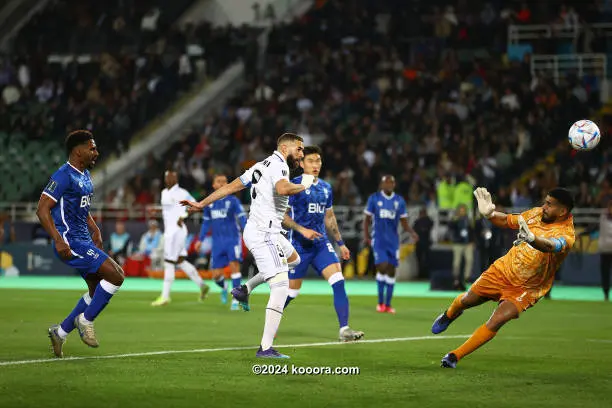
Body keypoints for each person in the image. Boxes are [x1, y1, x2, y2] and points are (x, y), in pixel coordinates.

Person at [181, 133, 311, 359]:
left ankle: (245, 289)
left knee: (295, 260)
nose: (302, 154)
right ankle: (265, 348)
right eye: (299, 149)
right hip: (264, 233)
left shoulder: (261, 165)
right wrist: (304, 184)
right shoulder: (280, 166)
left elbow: (231, 187)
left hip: (263, 229)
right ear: (284, 147)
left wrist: (202, 203)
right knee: (281, 287)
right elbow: (282, 189)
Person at [431, 187, 575, 368]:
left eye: (549, 204)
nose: (544, 207)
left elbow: (550, 246)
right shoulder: (536, 214)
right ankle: (449, 315)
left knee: (498, 319)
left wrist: (532, 238)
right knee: (468, 300)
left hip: (526, 288)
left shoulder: (567, 234)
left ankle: (454, 356)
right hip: (502, 271)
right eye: (544, 202)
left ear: (563, 211)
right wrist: (490, 214)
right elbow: (508, 220)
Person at [37, 130, 125, 358]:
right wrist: (58, 239)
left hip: (84, 239)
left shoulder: (84, 175)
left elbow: (80, 209)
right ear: (78, 151)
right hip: (70, 241)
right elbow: (42, 209)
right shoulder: (63, 176)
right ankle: (85, 321)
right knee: (116, 276)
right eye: (92, 148)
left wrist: (94, 228)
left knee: (96, 290)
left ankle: (61, 332)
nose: (96, 152)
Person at [280, 146, 364, 341]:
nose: (315, 164)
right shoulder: (293, 186)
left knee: (338, 281)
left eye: (318, 160)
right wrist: (302, 230)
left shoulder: (326, 187)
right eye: (310, 161)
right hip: (298, 246)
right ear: (301, 164)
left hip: (320, 244)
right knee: (291, 292)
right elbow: (282, 216)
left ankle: (344, 329)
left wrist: (341, 243)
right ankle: (271, 318)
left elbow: (330, 217)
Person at [151, 170, 209, 306]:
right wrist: (157, 211)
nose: (171, 179)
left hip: (176, 231)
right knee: (180, 260)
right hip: (170, 231)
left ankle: (165, 297)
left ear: (176, 178)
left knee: (169, 262)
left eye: (174, 176)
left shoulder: (181, 192)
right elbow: (169, 209)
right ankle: (202, 285)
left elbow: (194, 204)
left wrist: (183, 217)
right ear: (165, 179)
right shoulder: (164, 193)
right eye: (169, 177)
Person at [363, 175, 419, 313]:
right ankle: (380, 302)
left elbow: (404, 222)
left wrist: (412, 232)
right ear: (381, 185)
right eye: (386, 182)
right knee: (382, 267)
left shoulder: (399, 201)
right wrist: (366, 235)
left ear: (394, 185)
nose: (388, 185)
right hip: (379, 240)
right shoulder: (374, 198)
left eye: (391, 182)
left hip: (393, 241)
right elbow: (366, 219)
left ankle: (387, 305)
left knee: (392, 271)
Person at [195, 173, 247, 310]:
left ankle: (236, 299)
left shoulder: (233, 201)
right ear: (213, 185)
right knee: (216, 275)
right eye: (219, 181)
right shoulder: (209, 203)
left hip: (232, 239)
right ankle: (224, 287)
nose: (222, 184)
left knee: (234, 267)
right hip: (217, 242)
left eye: (225, 182)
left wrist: (247, 232)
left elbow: (242, 217)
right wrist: (200, 240)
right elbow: (206, 223)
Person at [597, 200, 612, 301]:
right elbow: (594, 228)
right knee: (605, 273)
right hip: (605, 250)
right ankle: (606, 293)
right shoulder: (602, 217)